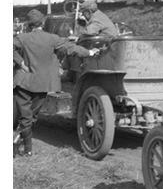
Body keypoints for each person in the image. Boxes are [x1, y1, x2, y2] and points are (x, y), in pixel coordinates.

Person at [13, 9, 100, 157]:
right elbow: (71, 49)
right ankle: (24, 148)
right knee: (31, 117)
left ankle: (23, 147)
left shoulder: (22, 38)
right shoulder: (53, 39)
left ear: (28, 25)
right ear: (42, 23)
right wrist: (90, 52)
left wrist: (20, 62)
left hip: (23, 82)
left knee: (26, 118)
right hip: (42, 84)